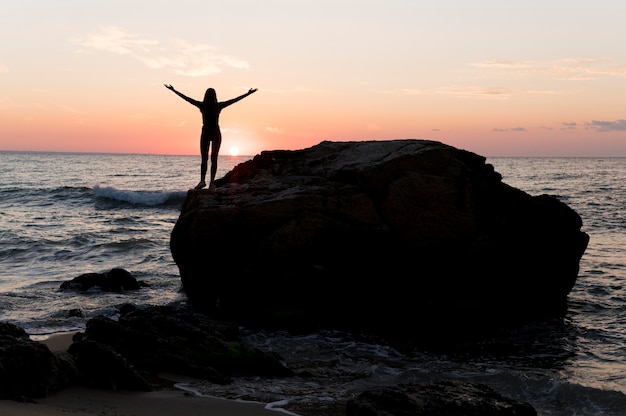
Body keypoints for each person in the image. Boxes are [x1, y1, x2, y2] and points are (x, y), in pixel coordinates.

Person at [164, 84, 258, 189]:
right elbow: (234, 100)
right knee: (214, 159)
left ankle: (203, 181)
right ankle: (211, 182)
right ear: (215, 96)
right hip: (215, 132)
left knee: (205, 159)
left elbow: (186, 98)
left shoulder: (202, 105)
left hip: (206, 132)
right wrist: (248, 94)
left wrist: (173, 90)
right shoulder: (218, 106)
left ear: (205, 96)